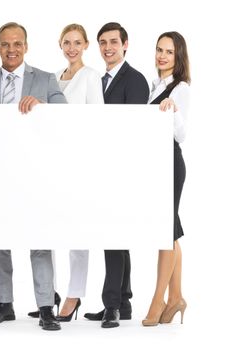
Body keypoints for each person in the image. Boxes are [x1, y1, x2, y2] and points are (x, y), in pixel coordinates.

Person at [0, 22, 67, 331]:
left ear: (26, 46)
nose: (11, 49)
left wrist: (42, 107)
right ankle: (4, 303)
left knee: (40, 239)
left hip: (36, 172)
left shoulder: (45, 79)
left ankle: (45, 307)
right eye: (4, 44)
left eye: (16, 44)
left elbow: (67, 119)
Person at [29, 23, 104, 322]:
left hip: (79, 160)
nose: (71, 48)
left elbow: (95, 118)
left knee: (77, 230)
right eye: (66, 43)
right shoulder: (55, 77)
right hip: (53, 161)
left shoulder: (90, 76)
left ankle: (74, 295)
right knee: (49, 227)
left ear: (85, 45)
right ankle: (52, 293)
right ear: (60, 45)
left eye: (77, 43)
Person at [83, 22, 149, 328]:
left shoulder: (134, 80)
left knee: (113, 235)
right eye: (102, 42)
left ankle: (111, 305)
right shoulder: (100, 80)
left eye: (113, 42)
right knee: (117, 237)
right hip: (102, 166)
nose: (108, 47)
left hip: (122, 168)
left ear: (125, 44)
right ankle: (123, 302)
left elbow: (130, 130)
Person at [142, 31, 190, 327]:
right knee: (169, 230)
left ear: (179, 57)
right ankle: (177, 298)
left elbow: (182, 134)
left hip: (171, 161)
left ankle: (158, 300)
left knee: (164, 232)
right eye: (159, 49)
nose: (162, 55)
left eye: (169, 52)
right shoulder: (153, 85)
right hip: (155, 164)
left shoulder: (180, 87)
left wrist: (173, 112)